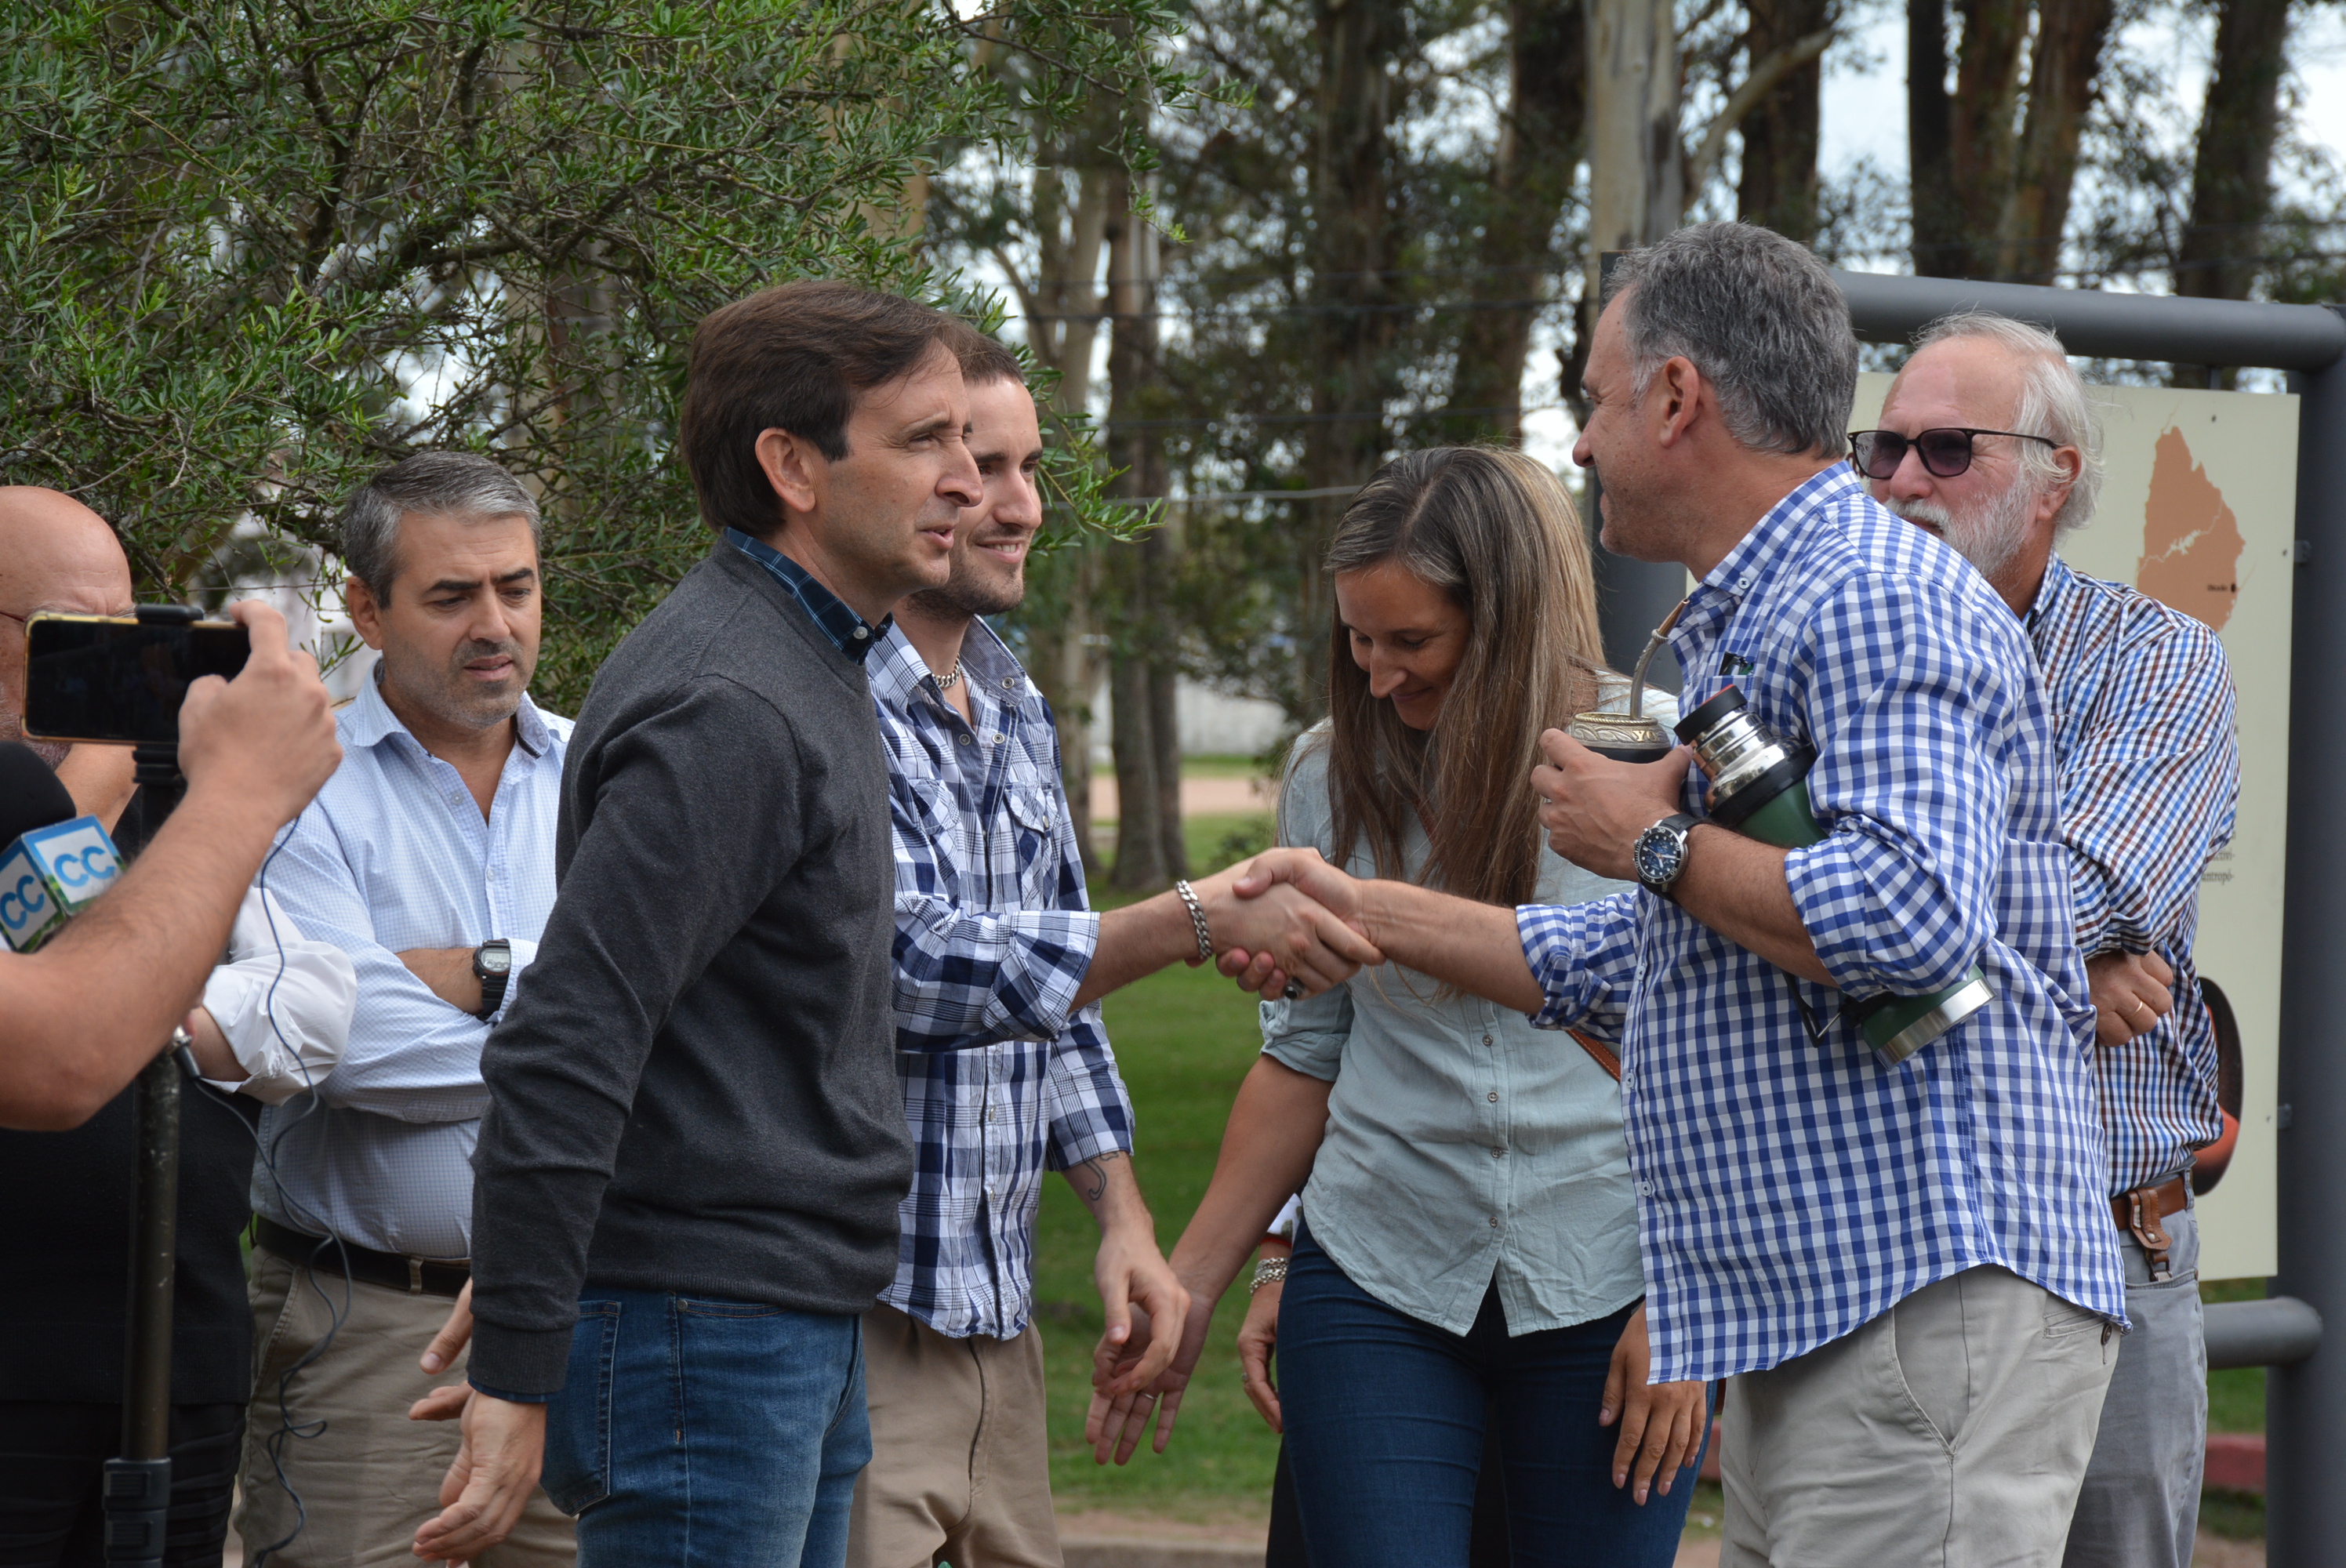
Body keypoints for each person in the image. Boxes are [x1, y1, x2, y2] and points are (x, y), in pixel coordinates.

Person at [1202, 223, 2128, 1568]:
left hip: (1923, 1296)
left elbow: (1912, 923)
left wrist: (1652, 839)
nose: (1581, 442)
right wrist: (1359, 908)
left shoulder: (1866, 597)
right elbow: (1656, 966)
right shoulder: (1770, 613)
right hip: (1839, 1312)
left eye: (1593, 397)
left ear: (1678, 398)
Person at [425, 282, 1380, 1568]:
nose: (972, 487)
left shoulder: (811, 660)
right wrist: (524, 1352)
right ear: (792, 467)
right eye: (928, 443)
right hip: (708, 1329)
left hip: (786, 1314)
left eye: (979, 453)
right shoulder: (729, 697)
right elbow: (570, 1036)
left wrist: (1116, 1210)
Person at [1093, 448, 1706, 1568]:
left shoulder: (1657, 756)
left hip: (1614, 1277)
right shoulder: (1329, 770)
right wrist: (1193, 1291)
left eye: (1411, 641)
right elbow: (1303, 1058)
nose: (1377, 676)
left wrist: (1692, 1305)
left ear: (1509, 620)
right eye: (1357, 641)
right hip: (1379, 1276)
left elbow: (1727, 1072)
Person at [1860, 310, 2239, 1568]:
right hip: (1895, 1244)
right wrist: (2066, 968)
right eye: (1883, 449)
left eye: (1948, 449)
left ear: (2053, 477)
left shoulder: (2158, 659)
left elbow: (2101, 881)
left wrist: (1885, 913)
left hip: (2106, 1235)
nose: (1905, 479)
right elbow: (1813, 911)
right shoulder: (1837, 664)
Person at [229, 452, 576, 1568]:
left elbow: (698, 1013)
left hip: (577, 1324)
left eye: (515, 589)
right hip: (369, 1328)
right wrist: (592, 1023)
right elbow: (346, 1043)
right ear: (367, 610)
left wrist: (474, 971)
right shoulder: (293, 780)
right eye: (451, 596)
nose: (494, 624)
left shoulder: (609, 773)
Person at [0, 485, 340, 1568]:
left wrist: (163, 1009)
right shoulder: (92, 793)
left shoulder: (174, 797)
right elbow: (61, 1049)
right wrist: (224, 799)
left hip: (174, 1361)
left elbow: (312, 1001)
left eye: (126, 626)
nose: (109, 664)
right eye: (69, 634)